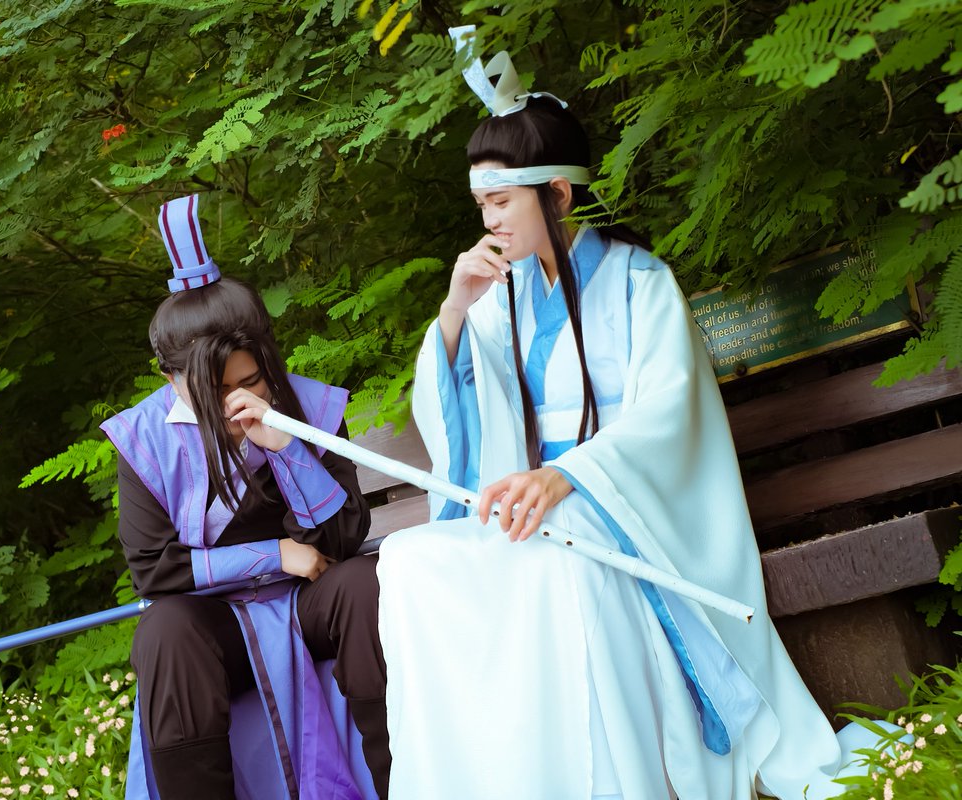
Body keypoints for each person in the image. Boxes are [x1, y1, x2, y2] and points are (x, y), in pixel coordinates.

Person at [375, 28, 880, 799]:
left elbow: (668, 419)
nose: (490, 222)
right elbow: (464, 416)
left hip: (629, 512)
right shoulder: (498, 300)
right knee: (411, 563)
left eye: (502, 202)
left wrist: (567, 477)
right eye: (481, 205)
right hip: (537, 508)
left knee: (554, 564)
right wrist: (453, 311)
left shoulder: (642, 285)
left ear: (558, 195)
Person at [103, 194, 389, 800]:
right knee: (163, 631)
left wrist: (286, 445)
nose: (235, 402)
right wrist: (276, 554)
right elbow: (155, 570)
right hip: (215, 625)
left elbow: (343, 538)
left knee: (364, 585)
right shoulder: (142, 439)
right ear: (169, 378)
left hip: (309, 605)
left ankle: (401, 780)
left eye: (249, 380)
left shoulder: (310, 407)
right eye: (212, 388)